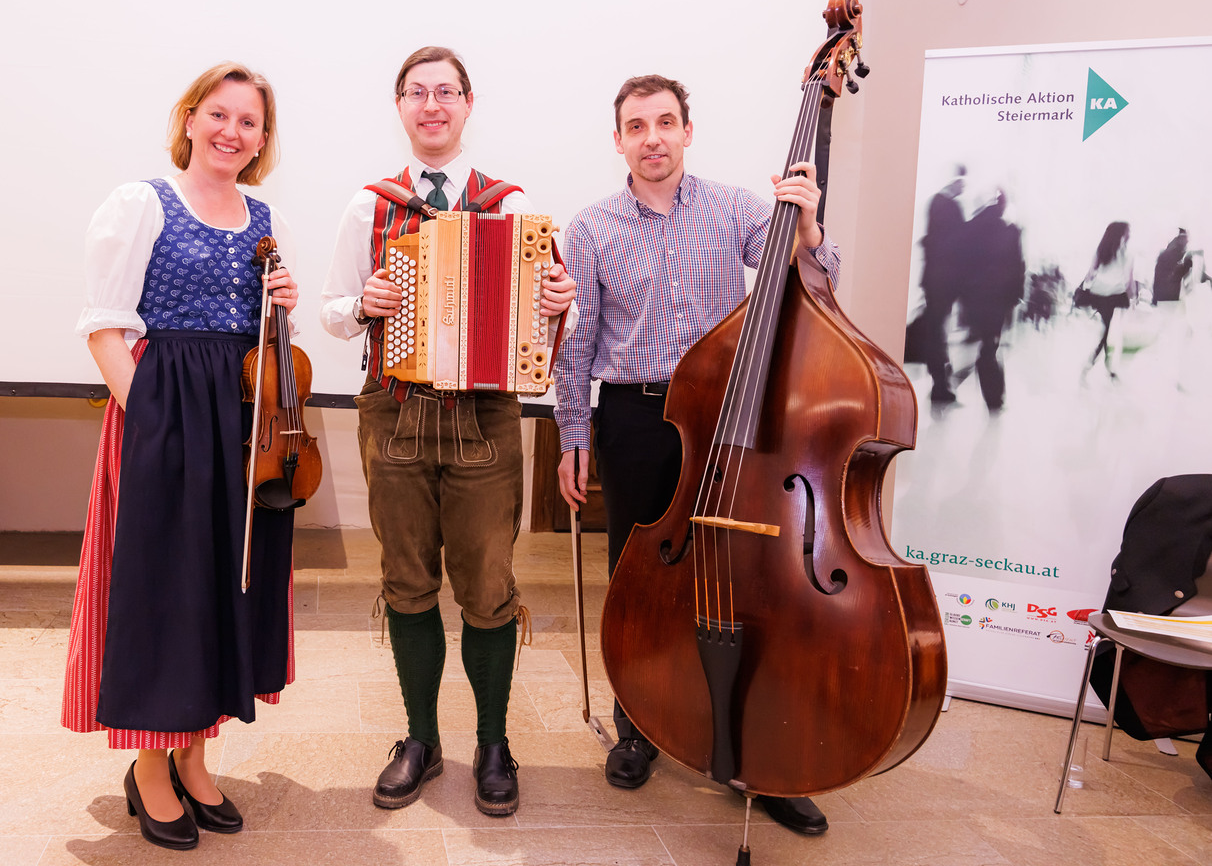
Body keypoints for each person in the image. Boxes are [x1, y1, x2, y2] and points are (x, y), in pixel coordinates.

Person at [553, 74, 839, 838]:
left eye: (665, 122)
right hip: (637, 419)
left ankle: (760, 753)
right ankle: (638, 728)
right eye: (636, 126)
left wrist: (809, 231)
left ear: (687, 131)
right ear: (618, 140)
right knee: (640, 581)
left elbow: (817, 282)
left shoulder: (738, 208)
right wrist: (573, 436)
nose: (652, 138)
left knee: (748, 580)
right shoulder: (590, 228)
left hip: (728, 418)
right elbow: (576, 343)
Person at [319, 46, 577, 817]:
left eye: (446, 92)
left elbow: (540, 320)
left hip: (485, 419)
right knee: (406, 580)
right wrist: (362, 305)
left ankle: (494, 743)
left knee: (490, 587)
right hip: (394, 412)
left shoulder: (511, 203)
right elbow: (331, 311)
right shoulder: (368, 207)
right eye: (417, 93)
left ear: (468, 104)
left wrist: (556, 301)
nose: (432, 105)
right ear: (400, 106)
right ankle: (421, 739)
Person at [63, 63, 300, 852]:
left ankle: (196, 757)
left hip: (238, 416)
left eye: (249, 122)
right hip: (167, 410)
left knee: (223, 584)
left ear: (262, 139)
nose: (232, 131)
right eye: (219, 114)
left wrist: (283, 308)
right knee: (165, 587)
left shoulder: (263, 217)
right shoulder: (142, 203)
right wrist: (154, 418)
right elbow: (105, 327)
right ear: (191, 118)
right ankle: (150, 766)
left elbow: (259, 337)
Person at [956, 191, 1026, 412]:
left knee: (987, 344)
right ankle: (994, 397)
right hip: (998, 298)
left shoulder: (969, 229)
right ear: (1002, 206)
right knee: (989, 345)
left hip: (974, 297)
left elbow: (960, 264)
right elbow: (1017, 267)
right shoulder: (1010, 231)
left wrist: (962, 296)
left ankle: (993, 393)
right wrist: (1015, 297)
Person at [910, 167, 968, 403]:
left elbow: (931, 242)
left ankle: (940, 383)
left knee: (936, 331)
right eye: (962, 184)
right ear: (955, 182)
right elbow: (958, 246)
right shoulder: (950, 207)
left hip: (933, 281)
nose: (963, 189)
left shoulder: (934, 203)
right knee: (937, 333)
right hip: (944, 282)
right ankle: (940, 386)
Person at [1077, 221, 1133, 381]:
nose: (1130, 235)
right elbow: (1129, 280)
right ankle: (1092, 366)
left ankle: (1107, 369)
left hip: (1098, 294)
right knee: (1107, 333)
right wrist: (1132, 298)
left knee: (1107, 332)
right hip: (1116, 295)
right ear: (1122, 234)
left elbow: (1090, 274)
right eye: (1128, 232)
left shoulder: (1101, 250)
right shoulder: (1126, 254)